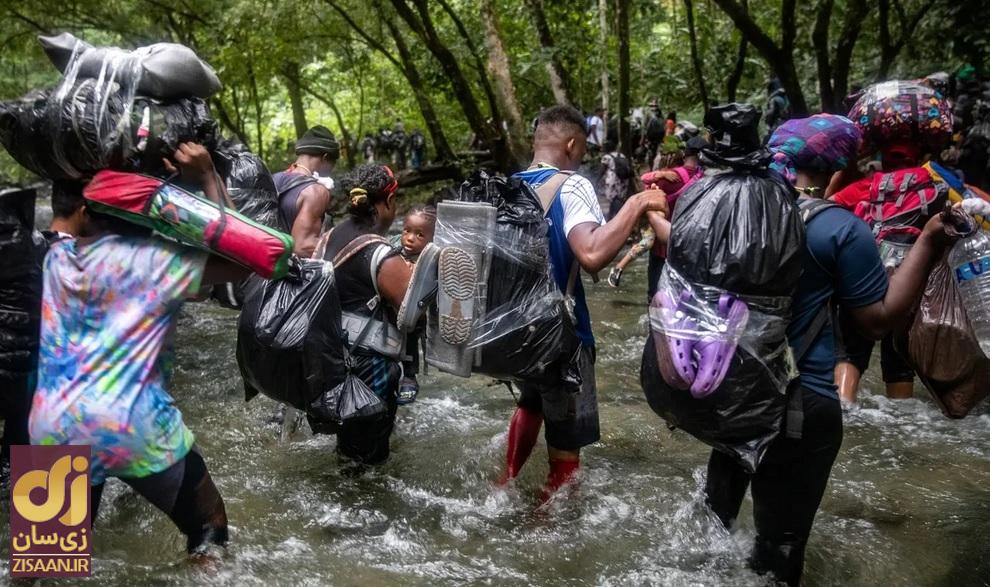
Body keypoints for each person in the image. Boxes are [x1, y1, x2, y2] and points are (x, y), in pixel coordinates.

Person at [700, 115, 955, 585]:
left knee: (711, 535)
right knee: (778, 551)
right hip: (801, 406)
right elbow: (877, 320)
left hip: (730, 393)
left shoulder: (731, 209)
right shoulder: (839, 228)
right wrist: (930, 239)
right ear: (843, 162)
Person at [31, 143, 254, 556]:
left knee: (47, 557)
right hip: (133, 426)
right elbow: (245, 252)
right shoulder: (159, 262)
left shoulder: (55, 257)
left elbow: (65, 216)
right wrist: (206, 178)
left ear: (86, 212)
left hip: (57, 425)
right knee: (208, 524)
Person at [500, 105, 668, 498]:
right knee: (566, 443)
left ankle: (502, 485)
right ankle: (544, 528)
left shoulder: (511, 184)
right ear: (573, 144)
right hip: (563, 336)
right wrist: (637, 204)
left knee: (531, 401)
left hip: (517, 332)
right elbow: (591, 253)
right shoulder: (572, 185)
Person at [309, 164, 413, 465]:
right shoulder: (381, 254)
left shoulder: (328, 237)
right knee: (369, 461)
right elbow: (411, 314)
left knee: (349, 450)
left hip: (330, 359)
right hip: (369, 366)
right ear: (389, 202)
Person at [828, 140, 940, 402]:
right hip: (910, 281)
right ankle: (900, 411)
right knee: (899, 359)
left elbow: (827, 203)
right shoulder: (936, 187)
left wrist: (850, 162)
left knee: (850, 353)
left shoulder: (868, 186)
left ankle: (844, 408)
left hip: (863, 275)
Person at [611, 136, 707, 298]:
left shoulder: (669, 177)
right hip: (693, 247)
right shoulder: (709, 181)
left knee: (655, 296)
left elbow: (647, 190)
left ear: (685, 155)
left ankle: (619, 268)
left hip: (662, 247)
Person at [272, 125, 339, 257]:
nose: (332, 170)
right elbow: (302, 246)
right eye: (333, 164)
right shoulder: (316, 192)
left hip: (262, 269)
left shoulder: (273, 178)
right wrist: (344, 242)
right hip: (289, 273)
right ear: (325, 158)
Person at [394, 205, 437, 404]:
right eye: (407, 231)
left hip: (416, 314)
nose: (410, 238)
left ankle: (410, 376)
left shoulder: (432, 260)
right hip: (392, 312)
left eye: (419, 235)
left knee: (411, 339)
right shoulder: (393, 252)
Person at [598, 139, 634, 220]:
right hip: (623, 179)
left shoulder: (606, 157)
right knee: (618, 198)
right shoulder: (621, 155)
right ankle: (611, 217)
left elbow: (602, 170)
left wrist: (596, 180)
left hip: (613, 180)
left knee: (613, 199)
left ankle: (620, 218)